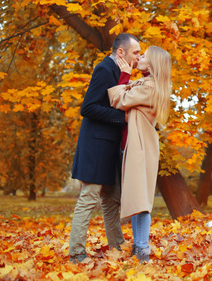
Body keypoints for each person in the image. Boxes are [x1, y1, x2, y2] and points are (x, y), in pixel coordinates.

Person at [69, 33, 141, 264]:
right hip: (96, 146)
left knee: (112, 200)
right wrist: (124, 118)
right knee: (88, 198)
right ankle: (77, 253)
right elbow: (88, 108)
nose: (138, 57)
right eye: (136, 53)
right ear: (121, 52)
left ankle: (117, 248)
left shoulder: (120, 73)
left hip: (110, 148)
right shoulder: (103, 70)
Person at [108, 46, 172, 262]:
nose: (139, 58)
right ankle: (139, 245)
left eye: (143, 56)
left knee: (141, 198)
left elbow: (118, 100)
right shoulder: (145, 84)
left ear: (152, 63)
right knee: (137, 197)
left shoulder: (149, 87)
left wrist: (124, 75)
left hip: (141, 147)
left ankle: (142, 247)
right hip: (135, 146)